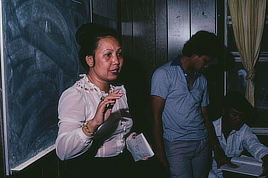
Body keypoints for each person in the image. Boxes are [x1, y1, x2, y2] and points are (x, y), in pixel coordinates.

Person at [55, 23, 136, 178]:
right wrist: (93, 124)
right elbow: (62, 152)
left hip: (122, 166)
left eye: (119, 54)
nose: (117, 61)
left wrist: (134, 142)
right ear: (90, 60)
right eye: (108, 55)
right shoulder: (76, 95)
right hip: (91, 170)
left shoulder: (120, 89)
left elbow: (120, 135)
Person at [151, 31, 233, 178]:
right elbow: (155, 117)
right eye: (206, 61)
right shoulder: (163, 74)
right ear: (195, 54)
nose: (207, 66)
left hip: (201, 144)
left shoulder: (202, 80)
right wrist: (160, 152)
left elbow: (205, 117)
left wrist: (216, 147)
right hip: (176, 145)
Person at [209, 91, 268, 178]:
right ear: (224, 111)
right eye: (234, 114)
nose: (238, 119)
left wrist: (266, 157)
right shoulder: (210, 129)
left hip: (233, 173)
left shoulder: (243, 129)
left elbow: (254, 145)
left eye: (241, 115)